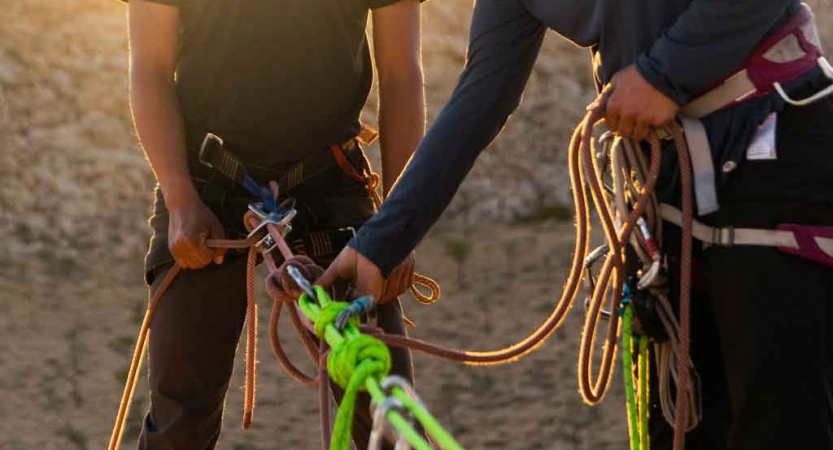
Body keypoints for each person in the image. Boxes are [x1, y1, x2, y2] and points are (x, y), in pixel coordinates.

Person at [319, 1, 833, 448]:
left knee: (780, 427)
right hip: (666, 200)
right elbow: (481, 98)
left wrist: (664, 75)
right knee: (683, 425)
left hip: (775, 151)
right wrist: (380, 244)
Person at [126, 0, 424, 447]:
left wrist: (398, 227)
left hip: (330, 180)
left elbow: (401, 77)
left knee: (384, 415)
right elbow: (149, 69)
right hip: (205, 188)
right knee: (178, 423)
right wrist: (180, 197)